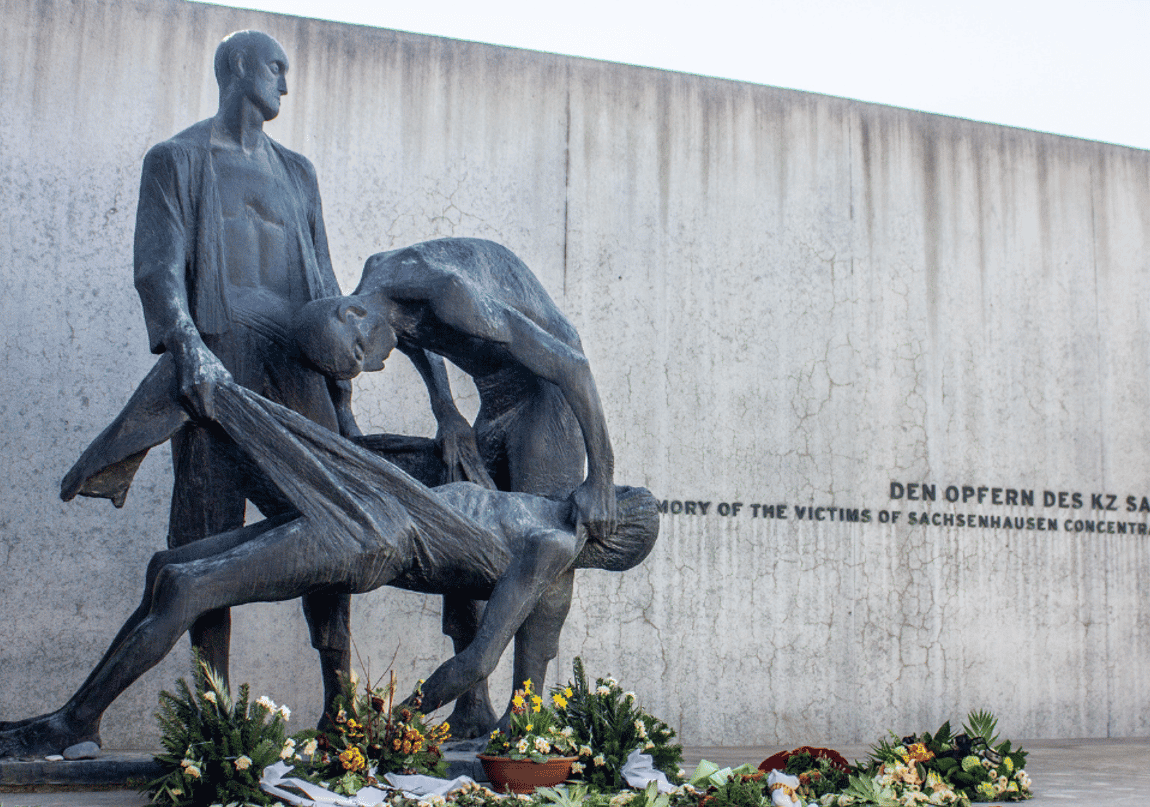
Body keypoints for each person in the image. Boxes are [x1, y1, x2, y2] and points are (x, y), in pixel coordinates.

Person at [0, 374, 658, 759]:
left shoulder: (550, 551)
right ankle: (76, 718)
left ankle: (73, 724)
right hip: (379, 503)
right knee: (168, 566)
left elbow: (481, 661)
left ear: (615, 530)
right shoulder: (544, 512)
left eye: (619, 497)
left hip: (377, 537)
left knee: (185, 584)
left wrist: (395, 723)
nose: (606, 487)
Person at [132, 30, 360, 713]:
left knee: (334, 529)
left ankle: (342, 709)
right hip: (219, 367)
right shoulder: (176, 159)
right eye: (276, 68)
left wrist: (341, 394)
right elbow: (157, 270)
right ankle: (213, 716)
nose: (285, 84)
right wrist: (187, 346)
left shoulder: (299, 172)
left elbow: (324, 283)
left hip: (296, 371)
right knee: (207, 537)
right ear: (237, 67)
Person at [340, 237, 620, 737]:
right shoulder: (378, 283)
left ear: (354, 316)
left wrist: (602, 477)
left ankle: (526, 709)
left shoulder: (448, 292)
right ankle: (472, 708)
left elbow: (571, 365)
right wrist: (445, 409)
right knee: (460, 535)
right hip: (496, 400)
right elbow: (408, 334)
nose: (372, 369)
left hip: (547, 396)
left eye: (361, 356)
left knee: (549, 538)